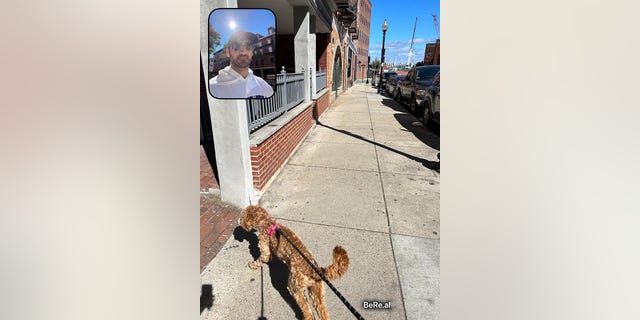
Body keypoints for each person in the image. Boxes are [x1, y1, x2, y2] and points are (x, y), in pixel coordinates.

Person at [209, 30, 274, 99]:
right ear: (228, 52)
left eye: (248, 46)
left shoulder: (263, 85)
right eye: (236, 46)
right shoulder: (212, 87)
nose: (243, 51)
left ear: (252, 52)